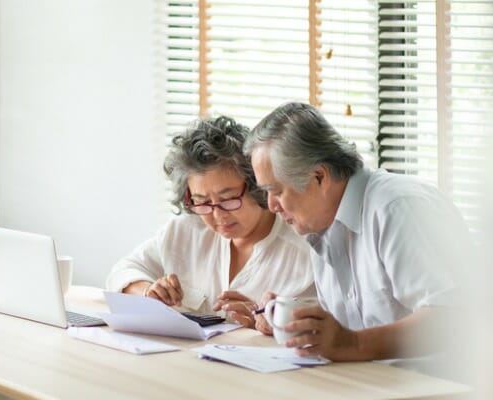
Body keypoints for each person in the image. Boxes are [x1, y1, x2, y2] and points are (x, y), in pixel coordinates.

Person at [245, 102, 470, 362]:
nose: (271, 206)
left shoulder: (397, 207)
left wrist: (352, 343)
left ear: (319, 177)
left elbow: (451, 319)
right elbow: (351, 329)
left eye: (276, 191)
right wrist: (296, 321)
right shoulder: (321, 223)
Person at [105, 116, 314, 327]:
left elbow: (322, 331)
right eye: (202, 201)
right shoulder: (185, 231)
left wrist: (269, 323)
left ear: (256, 186)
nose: (217, 215)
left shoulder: (305, 251)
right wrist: (148, 292)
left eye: (228, 199)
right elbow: (122, 271)